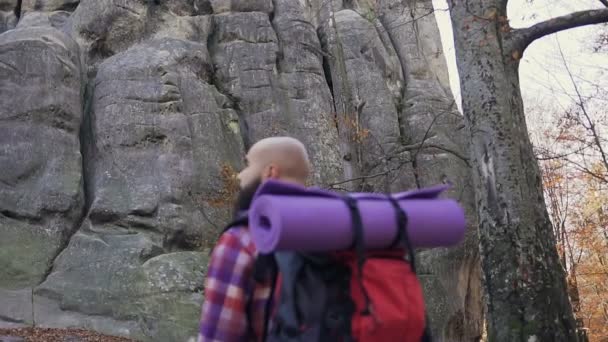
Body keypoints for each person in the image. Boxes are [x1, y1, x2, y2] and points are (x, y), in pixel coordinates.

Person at [198, 136, 312, 342]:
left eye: (248, 165)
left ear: (270, 172)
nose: (240, 175)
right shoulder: (335, 231)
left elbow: (219, 335)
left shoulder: (242, 239)